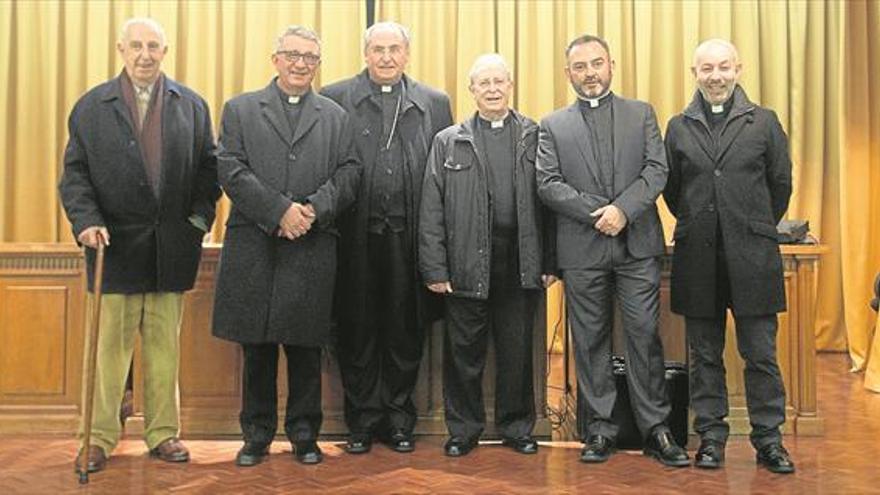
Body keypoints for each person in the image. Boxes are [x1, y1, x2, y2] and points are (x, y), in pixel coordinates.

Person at [60, 17, 219, 473]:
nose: (145, 54)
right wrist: (86, 221)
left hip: (171, 246)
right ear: (121, 49)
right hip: (113, 246)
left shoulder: (190, 104)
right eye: (136, 46)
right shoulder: (92, 106)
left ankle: (164, 433)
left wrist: (197, 220)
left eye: (153, 46)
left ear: (165, 51)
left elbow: (210, 170)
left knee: (164, 347)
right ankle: (99, 437)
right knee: (109, 349)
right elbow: (75, 175)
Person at [211, 25, 361, 467]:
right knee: (256, 346)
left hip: (312, 244)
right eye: (293, 55)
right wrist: (279, 211)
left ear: (318, 63)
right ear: (275, 59)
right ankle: (256, 434)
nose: (300, 64)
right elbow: (230, 168)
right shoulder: (240, 109)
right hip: (255, 243)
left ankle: (303, 434)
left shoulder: (335, 116)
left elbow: (350, 172)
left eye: (310, 58)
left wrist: (311, 210)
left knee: (304, 346)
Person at [536, 34, 688, 467]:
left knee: (643, 335)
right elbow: (547, 183)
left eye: (596, 64)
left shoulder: (642, 114)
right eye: (580, 67)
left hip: (637, 246)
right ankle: (600, 429)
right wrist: (597, 214)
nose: (590, 73)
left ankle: (656, 429)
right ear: (568, 74)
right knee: (589, 341)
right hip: (582, 250)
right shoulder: (552, 125)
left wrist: (622, 210)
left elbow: (656, 170)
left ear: (612, 65)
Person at [321, 21, 453, 454]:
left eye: (394, 49)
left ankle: (398, 419)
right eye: (378, 49)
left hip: (410, 239)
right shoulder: (336, 97)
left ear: (407, 54)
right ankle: (361, 421)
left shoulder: (434, 102)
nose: (386, 58)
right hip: (353, 240)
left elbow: (445, 177)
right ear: (365, 53)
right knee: (356, 330)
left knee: (405, 331)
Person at [663, 39, 795, 474]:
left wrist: (747, 224)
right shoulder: (679, 126)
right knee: (704, 355)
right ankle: (712, 438)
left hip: (753, 256)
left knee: (760, 354)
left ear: (738, 69)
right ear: (694, 72)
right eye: (707, 69)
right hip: (698, 258)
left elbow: (780, 185)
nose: (715, 76)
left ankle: (769, 440)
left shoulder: (764, 122)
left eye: (723, 67)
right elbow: (673, 191)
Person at [419, 54, 557, 457]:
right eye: (484, 83)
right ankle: (463, 429)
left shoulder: (535, 135)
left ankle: (517, 428)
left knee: (517, 354)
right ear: (472, 90)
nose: (493, 89)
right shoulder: (449, 140)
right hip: (465, 264)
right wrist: (435, 267)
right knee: (463, 355)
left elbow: (550, 204)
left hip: (520, 262)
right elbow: (431, 209)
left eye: (499, 81)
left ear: (510, 85)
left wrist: (550, 261)